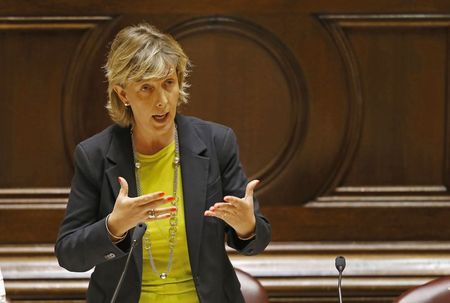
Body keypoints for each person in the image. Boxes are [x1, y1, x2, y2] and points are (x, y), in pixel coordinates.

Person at [55, 23, 271, 303]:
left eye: (168, 83)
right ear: (123, 94)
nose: (162, 101)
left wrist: (247, 227)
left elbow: (257, 239)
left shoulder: (217, 142)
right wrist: (114, 227)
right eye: (146, 88)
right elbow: (69, 254)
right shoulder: (95, 155)